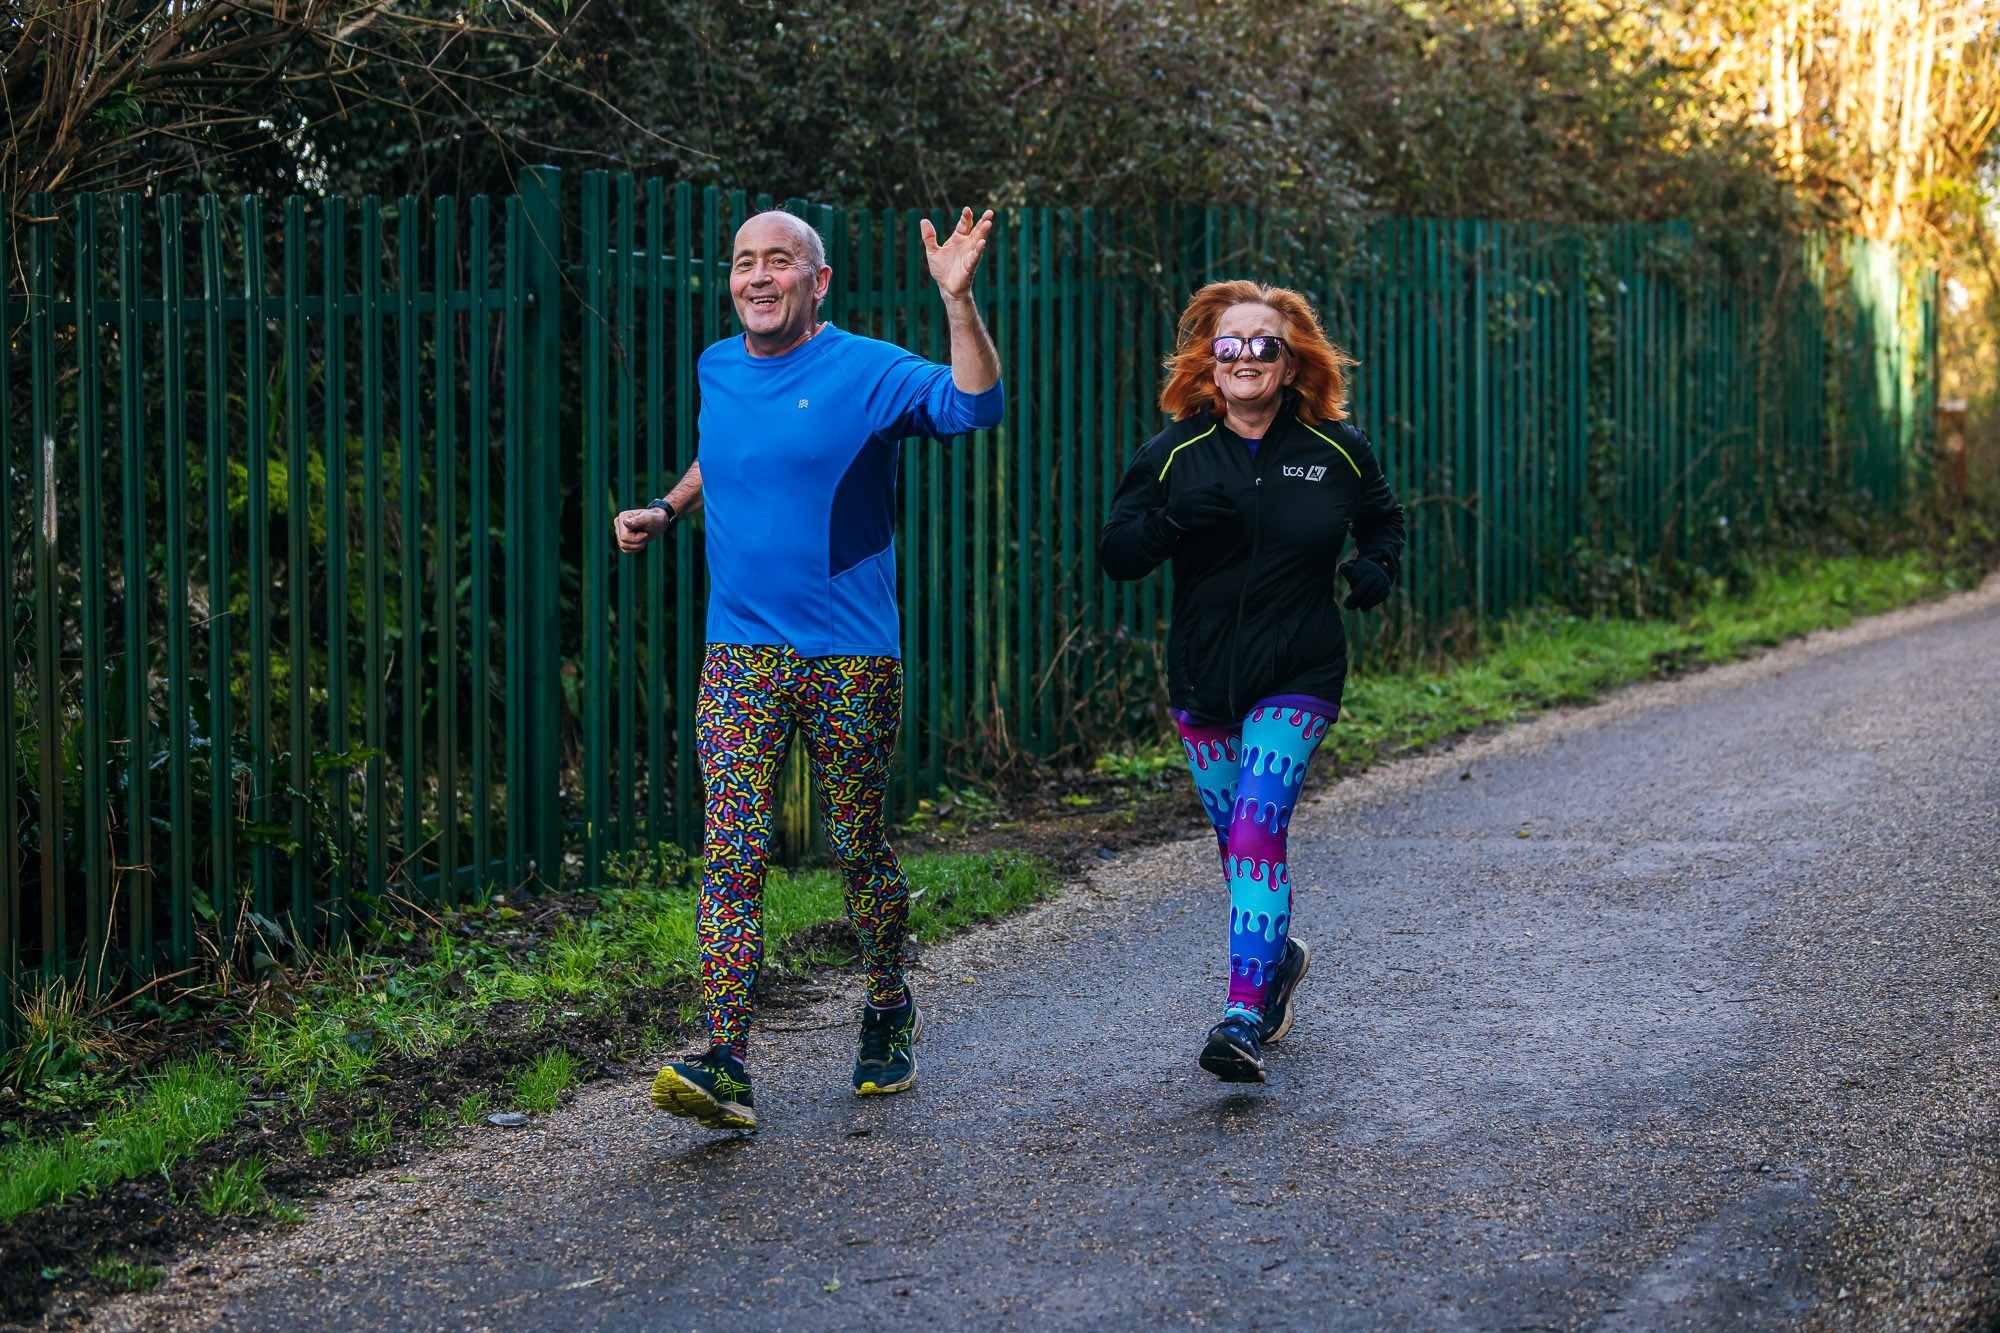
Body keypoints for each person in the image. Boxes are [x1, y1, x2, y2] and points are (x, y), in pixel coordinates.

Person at [613, 207, 1002, 1130]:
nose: (757, 277)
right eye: (744, 261)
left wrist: (959, 303)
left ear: (816, 282)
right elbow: (728, 452)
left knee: (856, 844)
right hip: (740, 651)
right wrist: (670, 509)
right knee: (733, 847)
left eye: (778, 262)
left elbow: (974, 404)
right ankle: (726, 1056)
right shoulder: (717, 364)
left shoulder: (865, 369)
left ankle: (886, 1001)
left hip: (849, 657)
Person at [1099, 280, 1406, 1083]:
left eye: (1263, 344)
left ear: (1290, 359)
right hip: (1203, 680)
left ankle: (1240, 1016)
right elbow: (1117, 552)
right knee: (1235, 844)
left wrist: (1377, 564)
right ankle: (1278, 957)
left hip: (1299, 670)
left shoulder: (1337, 448)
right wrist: (1170, 523)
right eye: (1229, 345)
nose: (1245, 358)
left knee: (1256, 831)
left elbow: (1383, 518)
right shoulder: (1171, 454)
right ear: (1209, 361)